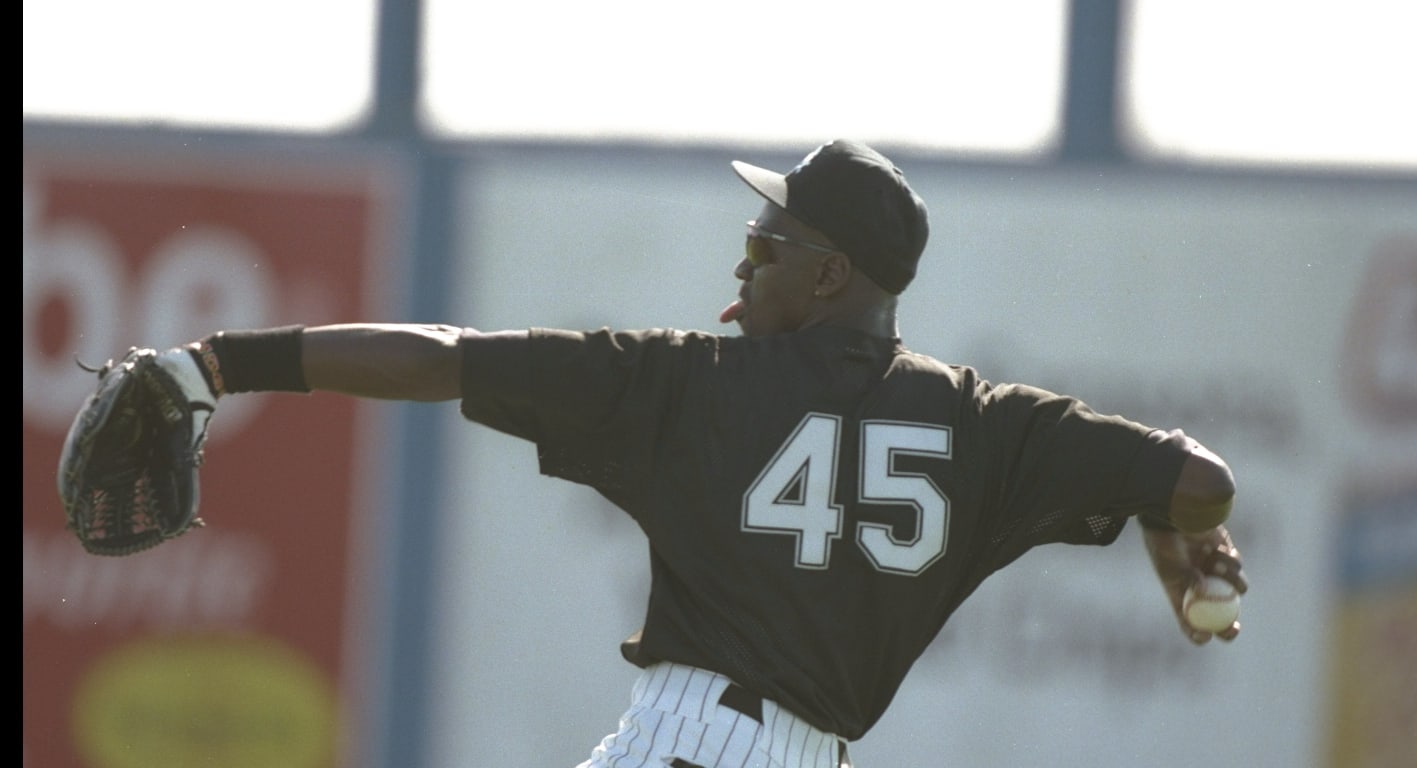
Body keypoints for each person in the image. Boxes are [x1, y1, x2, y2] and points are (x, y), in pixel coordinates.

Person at [145, 139, 1246, 767]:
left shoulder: (692, 384)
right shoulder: (989, 427)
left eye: (767, 244)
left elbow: (442, 357)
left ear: (829, 277)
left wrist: (217, 366)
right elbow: (1197, 483)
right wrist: (1178, 544)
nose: (744, 264)